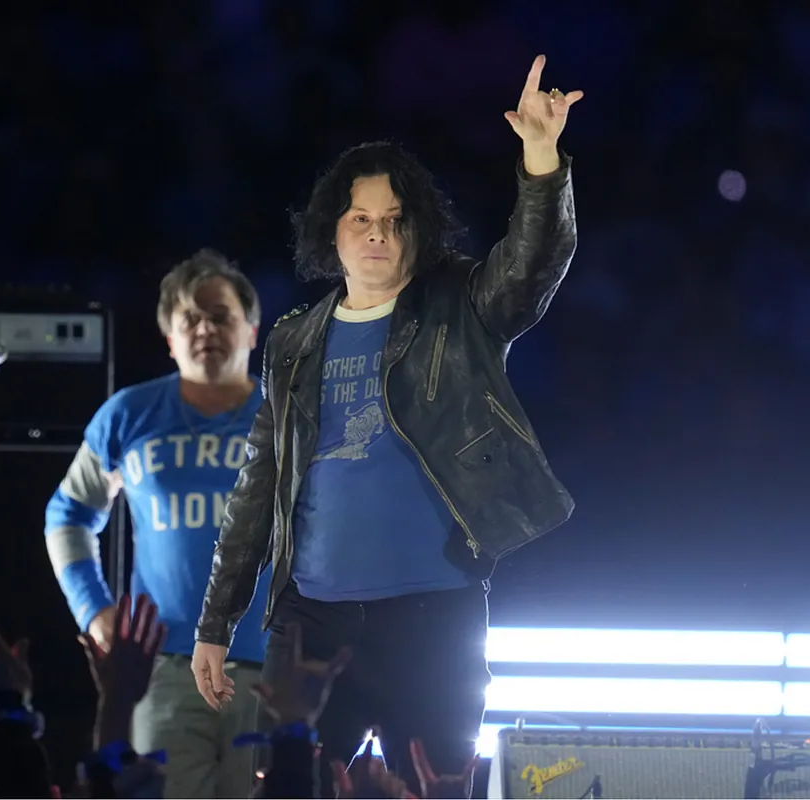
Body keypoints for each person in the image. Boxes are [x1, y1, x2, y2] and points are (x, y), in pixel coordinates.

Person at [192, 55, 581, 795]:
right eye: (361, 219)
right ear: (331, 231)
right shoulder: (292, 340)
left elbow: (532, 268)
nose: (378, 235)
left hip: (434, 619)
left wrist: (540, 157)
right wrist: (216, 622)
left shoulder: (459, 306)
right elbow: (258, 487)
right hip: (309, 625)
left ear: (417, 231)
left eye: (395, 222)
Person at [44, 249, 271, 798]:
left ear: (251, 329)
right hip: (165, 668)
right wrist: (94, 612)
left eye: (219, 315)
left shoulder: (290, 414)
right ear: (169, 338)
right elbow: (67, 515)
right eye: (188, 318)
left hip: (272, 665)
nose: (204, 329)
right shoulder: (128, 414)